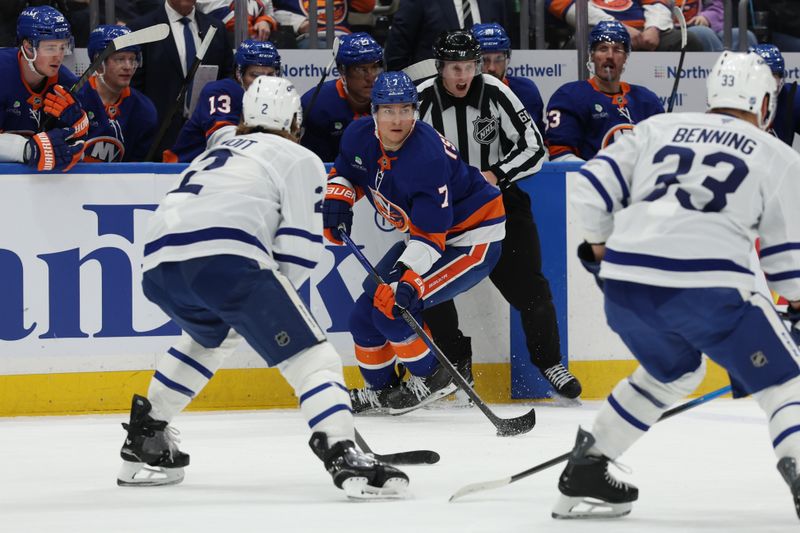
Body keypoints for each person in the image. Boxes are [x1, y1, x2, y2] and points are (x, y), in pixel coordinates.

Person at [117, 75, 409, 500]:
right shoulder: (298, 156)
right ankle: (342, 450)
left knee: (208, 341)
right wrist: (274, 318)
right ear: (294, 120)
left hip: (158, 266)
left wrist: (251, 312)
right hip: (225, 259)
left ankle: (145, 439)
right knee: (315, 359)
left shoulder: (215, 152)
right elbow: (298, 252)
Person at [554, 51, 800, 520]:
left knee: (675, 372)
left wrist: (602, 248)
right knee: (786, 380)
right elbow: (789, 264)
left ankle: (588, 465)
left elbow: (589, 184)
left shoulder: (657, 129)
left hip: (625, 285)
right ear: (764, 100)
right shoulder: (777, 154)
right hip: (710, 287)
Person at [322, 71, 506, 414]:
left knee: (396, 305)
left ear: (415, 112)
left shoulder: (426, 157)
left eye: (405, 109)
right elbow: (348, 170)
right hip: (430, 236)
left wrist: (409, 278)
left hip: (471, 238)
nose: (397, 119)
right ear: (374, 112)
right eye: (389, 111)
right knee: (364, 315)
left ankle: (435, 377)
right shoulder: (358, 136)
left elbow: (431, 235)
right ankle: (382, 391)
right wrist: (339, 197)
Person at [416, 30, 581, 399]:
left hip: (501, 204)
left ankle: (549, 361)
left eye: (469, 67)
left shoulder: (494, 91)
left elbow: (535, 147)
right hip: (445, 211)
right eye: (454, 68)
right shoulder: (422, 99)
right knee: (432, 287)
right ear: (440, 67)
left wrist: (497, 173)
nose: (462, 76)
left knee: (532, 288)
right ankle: (457, 367)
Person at [129, 0, 234, 161]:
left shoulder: (216, 28)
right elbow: (134, 88)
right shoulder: (142, 29)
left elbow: (226, 79)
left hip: (206, 139)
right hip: (157, 141)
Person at [546, 20, 663, 163]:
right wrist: (598, 176)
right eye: (603, 49)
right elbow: (560, 155)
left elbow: (662, 152)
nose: (610, 56)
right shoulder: (570, 97)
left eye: (617, 50)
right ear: (592, 55)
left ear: (625, 57)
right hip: (589, 182)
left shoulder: (647, 100)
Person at [0, 5, 87, 171]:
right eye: (50, 48)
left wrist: (78, 130)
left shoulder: (67, 84)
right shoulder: (2, 72)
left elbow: (77, 151)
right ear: (27, 48)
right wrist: (26, 149)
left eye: (62, 47)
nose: (59, 56)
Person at [165, 39, 280, 162]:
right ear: (238, 73)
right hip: (181, 170)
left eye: (270, 75)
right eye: (255, 75)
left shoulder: (277, 100)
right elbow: (224, 141)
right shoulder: (221, 90)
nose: (263, 82)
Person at [77, 25, 158, 162]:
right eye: (120, 59)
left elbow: (138, 169)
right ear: (99, 62)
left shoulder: (144, 110)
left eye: (132, 59)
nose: (128, 67)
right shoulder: (76, 100)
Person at [300, 32, 382, 163]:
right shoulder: (316, 105)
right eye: (361, 69)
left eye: (375, 67)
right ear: (342, 70)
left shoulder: (388, 101)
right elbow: (315, 164)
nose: (371, 77)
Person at [384, 0, 509, 70]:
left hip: (484, 95)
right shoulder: (419, 2)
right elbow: (397, 53)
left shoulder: (496, 2)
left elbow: (502, 47)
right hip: (431, 96)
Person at [471, 22, 545, 136]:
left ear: (507, 58)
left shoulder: (526, 91)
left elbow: (538, 140)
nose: (492, 68)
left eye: (499, 59)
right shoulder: (459, 94)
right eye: (484, 60)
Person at [546, 0, 703, 52]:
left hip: (644, 33)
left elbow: (658, 4)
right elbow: (567, 7)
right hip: (600, 30)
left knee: (686, 40)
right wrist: (618, 27)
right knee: (584, 39)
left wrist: (654, 28)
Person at [751, 44, 800, 148]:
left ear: (781, 77)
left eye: (773, 75)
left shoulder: (793, 97)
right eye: (761, 74)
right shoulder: (736, 100)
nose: (767, 81)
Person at [273, 0, 375, 49]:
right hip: (309, 37)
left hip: (343, 36)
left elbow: (367, 6)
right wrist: (298, 22)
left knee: (368, 51)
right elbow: (271, 11)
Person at [677, 0, 756, 52]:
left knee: (743, 36)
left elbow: (718, 8)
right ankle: (722, 72)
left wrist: (706, 17)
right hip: (673, 30)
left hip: (708, 25)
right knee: (702, 32)